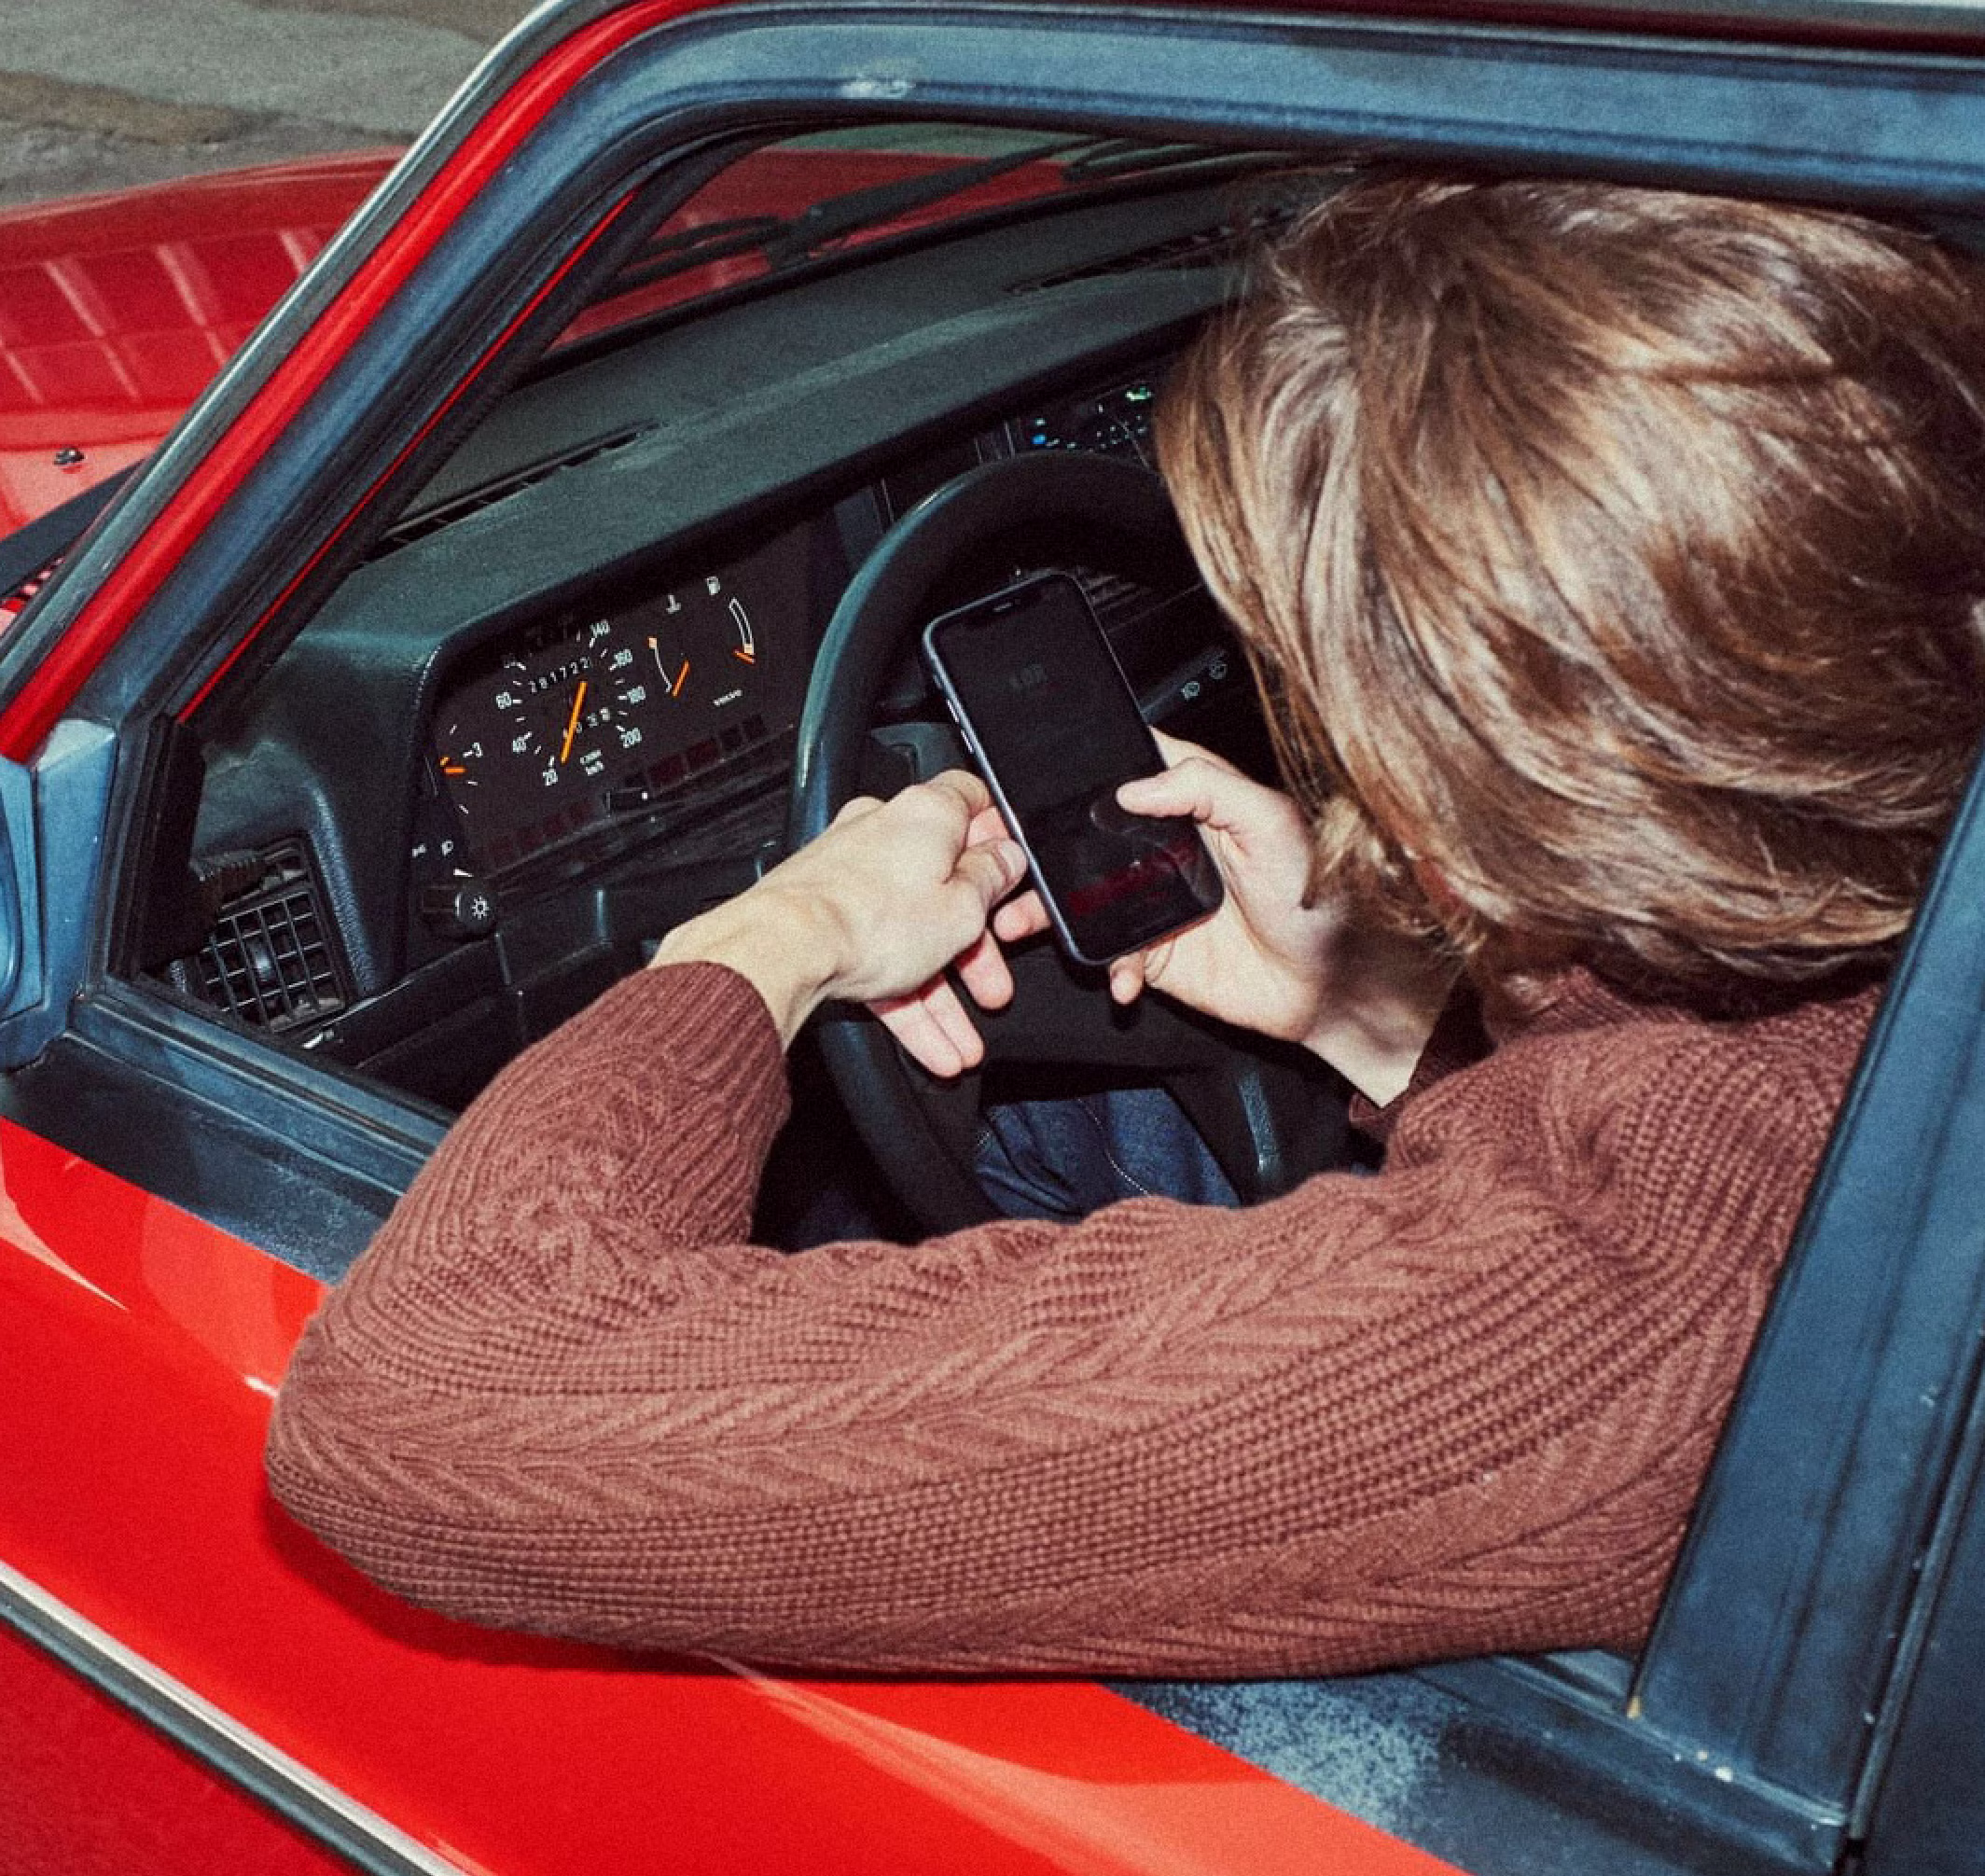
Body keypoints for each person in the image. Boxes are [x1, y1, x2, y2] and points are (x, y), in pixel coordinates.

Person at [265, 174, 1985, 1675]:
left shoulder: (1603, 1322)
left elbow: (420, 1412)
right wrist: (1372, 1010)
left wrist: (773, 935)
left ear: (1502, 800)